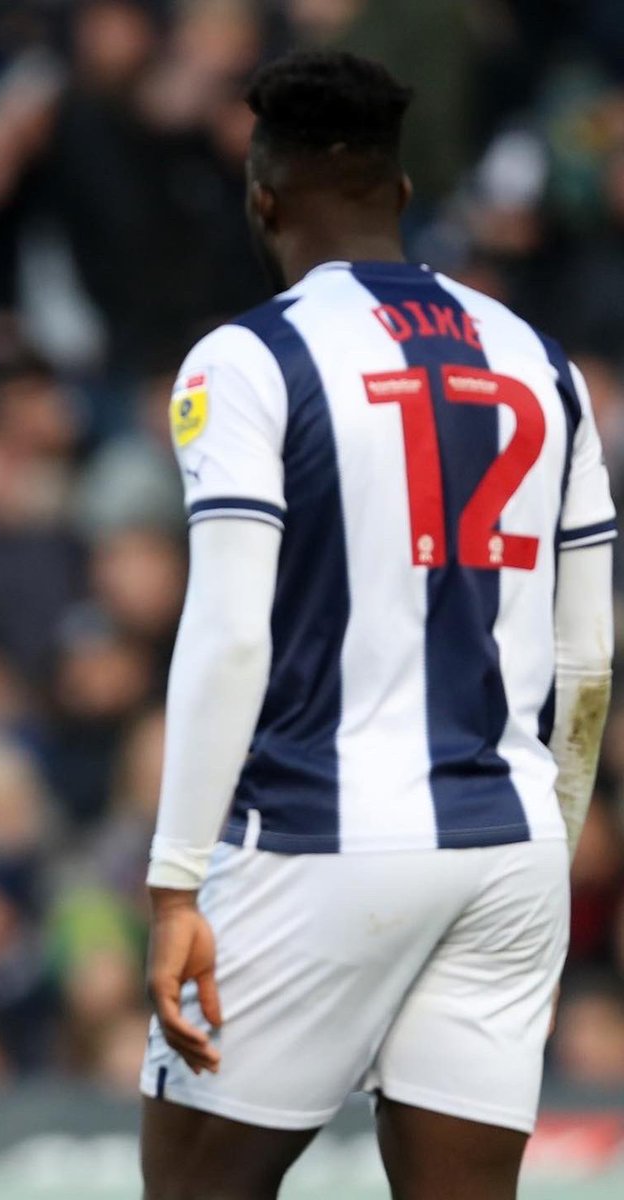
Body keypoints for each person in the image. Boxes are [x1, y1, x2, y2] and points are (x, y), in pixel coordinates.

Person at [140, 51, 615, 1200]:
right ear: (401, 197)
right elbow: (591, 653)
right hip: (508, 848)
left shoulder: (248, 359)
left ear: (263, 198)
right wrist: (551, 845)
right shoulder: (541, 365)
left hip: (318, 836)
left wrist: (173, 880)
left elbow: (230, 633)